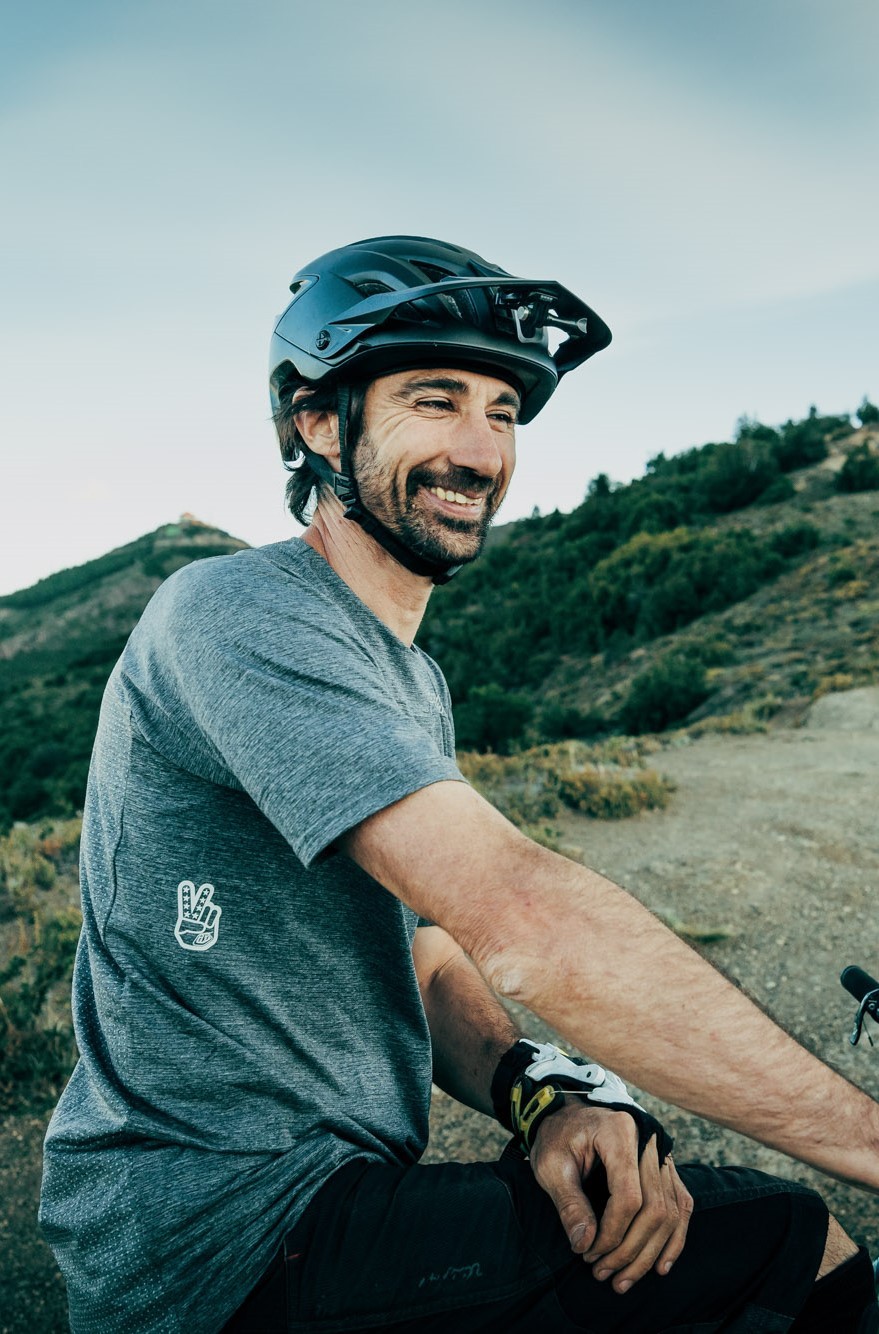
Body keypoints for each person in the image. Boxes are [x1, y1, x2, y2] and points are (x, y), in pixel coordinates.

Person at [40, 235, 879, 1334]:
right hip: (219, 1233)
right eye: (436, 400)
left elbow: (424, 952)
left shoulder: (405, 678)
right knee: (793, 1245)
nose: (481, 450)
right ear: (316, 420)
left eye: (504, 412)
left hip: (322, 1205)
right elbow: (523, 920)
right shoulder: (234, 614)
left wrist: (541, 1095)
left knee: (655, 1212)